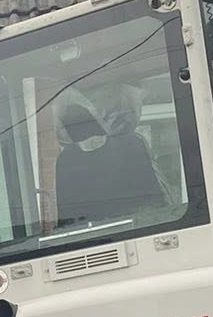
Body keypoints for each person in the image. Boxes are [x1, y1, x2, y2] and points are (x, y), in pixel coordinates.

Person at [53, 92, 166, 228]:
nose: (93, 141)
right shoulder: (66, 162)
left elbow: (153, 197)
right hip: (96, 232)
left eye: (97, 137)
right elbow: (67, 215)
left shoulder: (131, 145)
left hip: (140, 224)